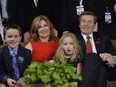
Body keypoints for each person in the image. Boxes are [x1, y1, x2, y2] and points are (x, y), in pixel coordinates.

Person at [77, 11, 116, 87]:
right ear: (79, 24)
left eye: (89, 22)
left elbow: (114, 53)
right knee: (95, 61)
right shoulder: (73, 38)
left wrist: (112, 58)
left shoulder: (103, 37)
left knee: (101, 69)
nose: (86, 24)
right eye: (83, 21)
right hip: (83, 69)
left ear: (94, 25)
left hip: (105, 68)